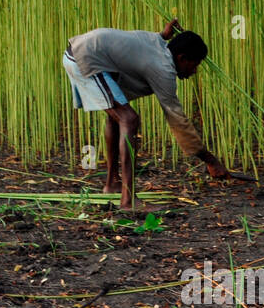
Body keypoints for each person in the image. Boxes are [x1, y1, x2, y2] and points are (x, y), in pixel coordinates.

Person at [62, 19, 228, 210]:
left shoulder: (159, 43)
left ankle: (113, 184)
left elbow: (151, 43)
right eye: (194, 64)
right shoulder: (164, 69)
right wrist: (211, 161)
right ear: (181, 58)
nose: (194, 71)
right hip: (86, 57)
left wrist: (164, 35)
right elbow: (178, 122)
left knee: (116, 117)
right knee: (129, 119)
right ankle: (128, 201)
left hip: (81, 53)